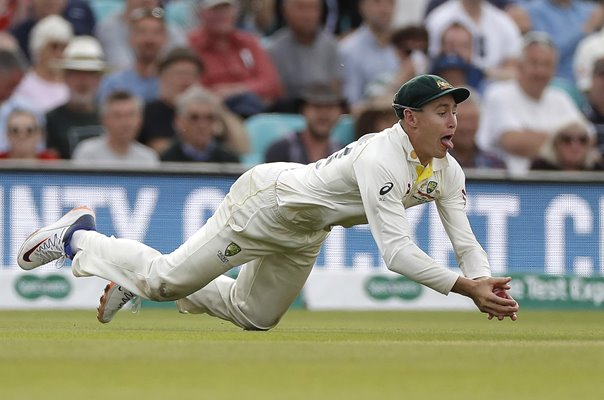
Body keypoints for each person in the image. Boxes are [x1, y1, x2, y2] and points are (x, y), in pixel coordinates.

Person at [17, 74, 519, 329]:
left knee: (256, 317)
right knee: (165, 279)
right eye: (441, 111)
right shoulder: (382, 159)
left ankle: (140, 279)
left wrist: (486, 282)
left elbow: (466, 240)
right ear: (410, 118)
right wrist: (464, 288)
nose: (453, 121)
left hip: (306, 229)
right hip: (269, 203)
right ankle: (74, 236)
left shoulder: (446, 170)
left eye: (454, 111)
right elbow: (397, 253)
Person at [476, 31, 583, 175]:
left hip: (555, 183)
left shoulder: (561, 98)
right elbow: (513, 142)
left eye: (546, 65)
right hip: (507, 186)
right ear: (520, 66)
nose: (540, 71)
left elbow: (586, 140)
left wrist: (532, 137)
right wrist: (562, 141)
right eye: (534, 63)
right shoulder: (499, 94)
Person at [188, 0, 283, 118]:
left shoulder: (249, 42)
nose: (222, 15)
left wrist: (236, 90)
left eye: (226, 9)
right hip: (214, 111)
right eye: (216, 10)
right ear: (201, 13)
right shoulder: (191, 46)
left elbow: (271, 82)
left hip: (254, 105)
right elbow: (194, 88)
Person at [266, 0, 343, 113]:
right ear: (285, 11)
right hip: (290, 113)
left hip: (326, 109)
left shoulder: (331, 46)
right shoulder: (274, 49)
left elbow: (336, 88)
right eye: (301, 8)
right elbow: (278, 94)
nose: (308, 15)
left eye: (313, 8)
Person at [425, 0, 522, 81]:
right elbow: (429, 63)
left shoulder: (504, 22)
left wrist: (483, 74)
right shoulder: (437, 19)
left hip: (491, 88)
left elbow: (514, 70)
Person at [45, 36, 106, 159]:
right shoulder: (51, 120)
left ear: (99, 79)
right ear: (65, 77)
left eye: (90, 73)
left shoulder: (112, 116)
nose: (83, 81)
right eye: (76, 73)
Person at [96, 6, 168, 103]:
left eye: (156, 32)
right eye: (142, 32)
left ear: (165, 39)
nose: (149, 39)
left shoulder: (172, 83)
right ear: (131, 38)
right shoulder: (114, 84)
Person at [71, 90, 159, 166]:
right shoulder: (87, 153)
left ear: (140, 119)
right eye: (118, 116)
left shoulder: (148, 158)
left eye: (131, 115)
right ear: (104, 120)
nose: (125, 122)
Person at [95, 0, 186, 72]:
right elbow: (120, 67)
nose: (146, 1)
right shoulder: (109, 28)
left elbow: (180, 66)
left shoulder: (173, 31)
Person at [265, 84, 346, 163]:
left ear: (340, 112)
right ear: (302, 110)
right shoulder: (282, 149)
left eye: (330, 107)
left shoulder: (344, 153)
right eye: (317, 106)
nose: (323, 114)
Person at [160, 85, 241, 163]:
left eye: (209, 118)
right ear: (179, 121)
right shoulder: (165, 160)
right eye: (194, 118)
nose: (202, 125)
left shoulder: (230, 160)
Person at [12, 14, 73, 114]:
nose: (59, 53)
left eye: (64, 48)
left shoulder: (73, 84)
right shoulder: (23, 84)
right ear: (39, 49)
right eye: (54, 47)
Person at [448, 90, 505, 169]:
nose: (465, 127)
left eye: (471, 120)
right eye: (459, 120)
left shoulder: (495, 163)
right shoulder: (435, 160)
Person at [531, 116, 604, 171]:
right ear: (555, 144)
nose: (575, 146)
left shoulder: (598, 171)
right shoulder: (539, 169)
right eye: (567, 139)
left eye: (582, 140)